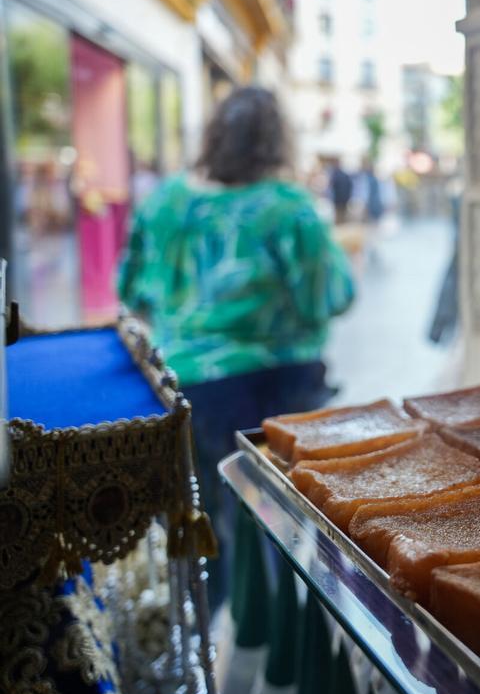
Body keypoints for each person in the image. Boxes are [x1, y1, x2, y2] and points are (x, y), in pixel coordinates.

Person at [118, 86, 355, 608]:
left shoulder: (164, 203)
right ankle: (267, 648)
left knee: (203, 518)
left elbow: (130, 292)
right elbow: (330, 298)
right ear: (277, 141)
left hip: (184, 385)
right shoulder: (289, 208)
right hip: (276, 388)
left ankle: (209, 635)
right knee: (273, 522)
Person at [328, 157, 354, 224]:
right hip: (344, 198)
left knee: (339, 215)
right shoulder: (345, 175)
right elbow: (350, 186)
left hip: (339, 199)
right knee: (342, 215)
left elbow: (332, 185)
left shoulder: (335, 175)